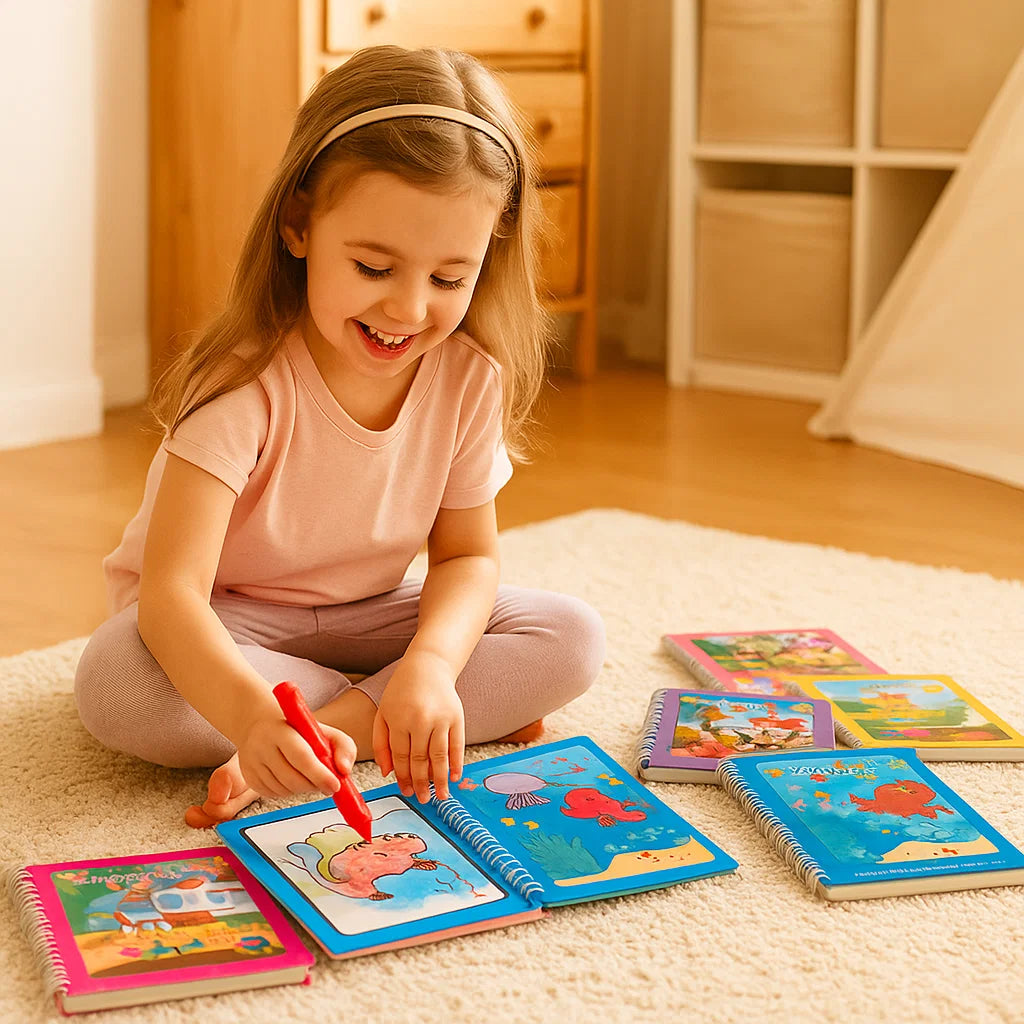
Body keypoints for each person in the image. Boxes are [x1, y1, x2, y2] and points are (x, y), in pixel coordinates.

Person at [74, 45, 605, 829]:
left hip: (373, 612)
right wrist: (256, 715)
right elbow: (170, 598)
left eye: (448, 279)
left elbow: (468, 557)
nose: (407, 309)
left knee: (570, 636)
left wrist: (428, 664)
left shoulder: (466, 377)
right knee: (117, 683)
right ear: (299, 225)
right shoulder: (240, 383)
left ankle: (341, 730)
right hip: (231, 620)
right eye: (372, 266)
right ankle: (372, 722)